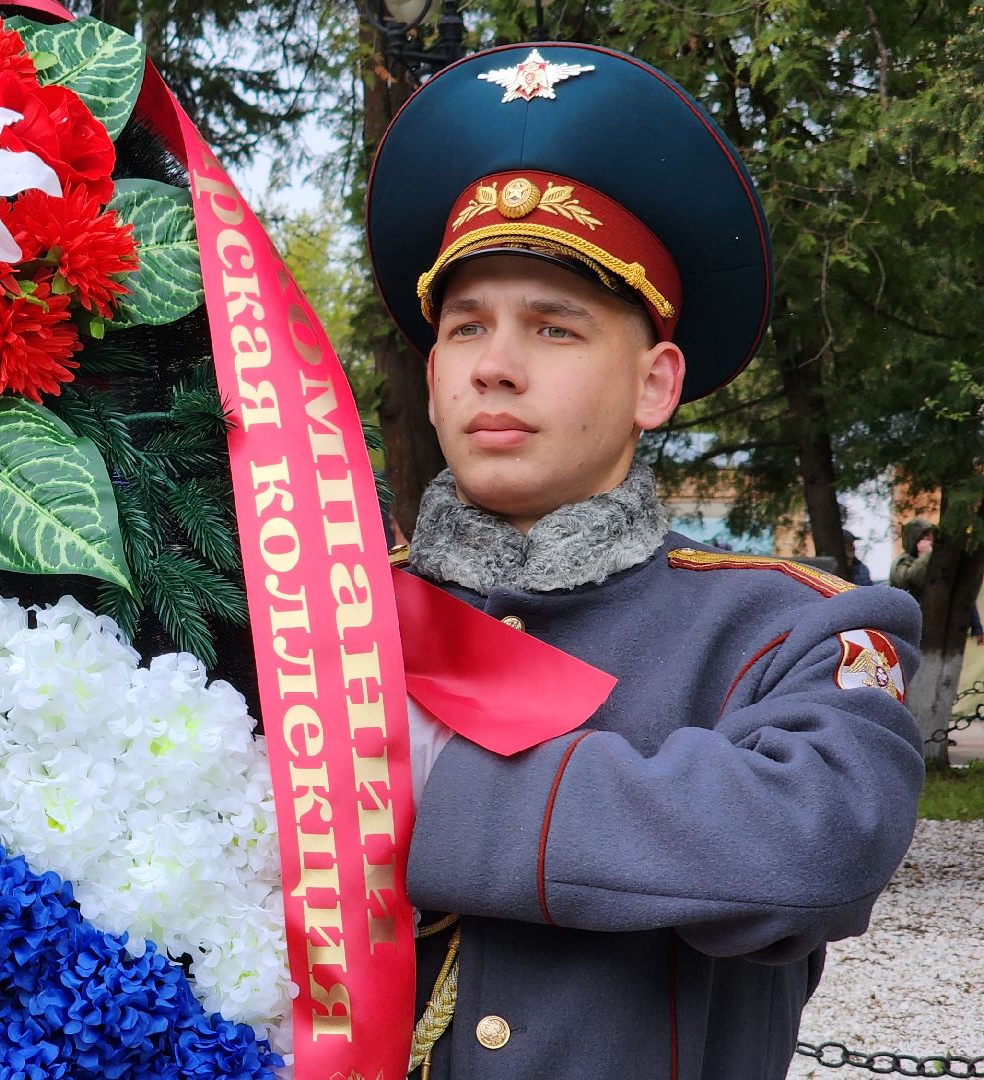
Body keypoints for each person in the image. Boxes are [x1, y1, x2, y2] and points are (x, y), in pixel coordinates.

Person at [366, 44, 924, 1080]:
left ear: (654, 384)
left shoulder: (792, 624)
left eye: (554, 328)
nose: (495, 365)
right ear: (434, 372)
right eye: (466, 327)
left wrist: (429, 775)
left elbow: (819, 842)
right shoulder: (332, 615)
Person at [890, 517, 934, 596]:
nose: (930, 540)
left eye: (930, 535)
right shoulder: (902, 562)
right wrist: (925, 555)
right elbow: (910, 583)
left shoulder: (931, 558)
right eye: (925, 536)